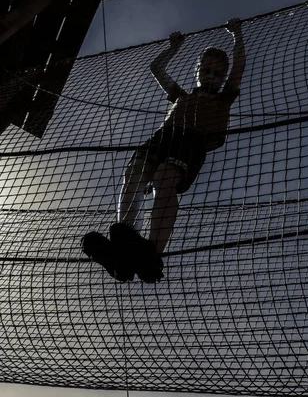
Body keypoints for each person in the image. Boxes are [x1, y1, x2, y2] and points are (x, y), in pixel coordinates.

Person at [82, 18, 246, 283]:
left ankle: (151, 253)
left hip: (191, 142)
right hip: (162, 138)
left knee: (164, 179)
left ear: (223, 78)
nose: (211, 77)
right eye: (206, 71)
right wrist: (174, 48)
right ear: (198, 72)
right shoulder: (182, 96)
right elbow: (156, 68)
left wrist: (237, 33)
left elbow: (238, 66)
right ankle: (125, 245)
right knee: (134, 174)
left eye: (217, 74)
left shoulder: (224, 97)